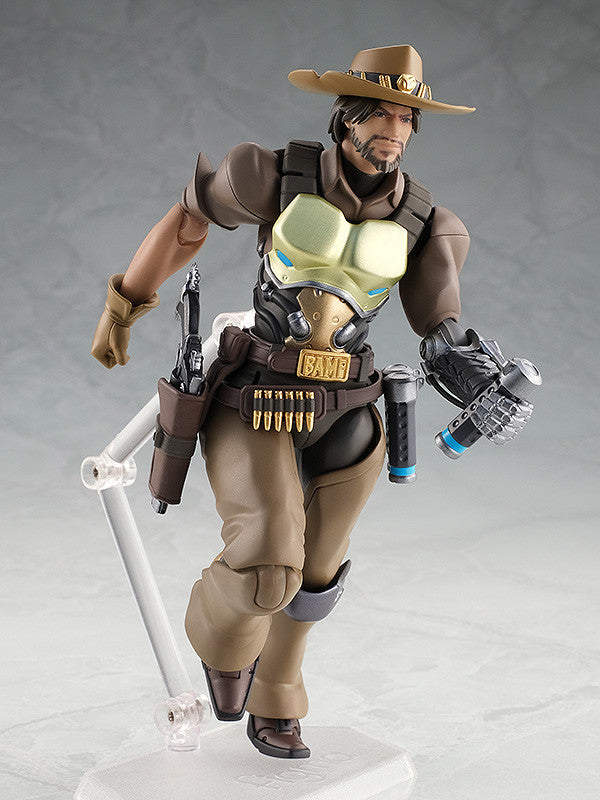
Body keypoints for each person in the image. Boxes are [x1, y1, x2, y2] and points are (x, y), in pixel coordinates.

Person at [92, 45, 478, 758]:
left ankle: (279, 692)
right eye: (381, 113)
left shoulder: (427, 222)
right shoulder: (270, 176)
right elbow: (187, 220)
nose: (394, 129)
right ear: (346, 116)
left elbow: (441, 323)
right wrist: (125, 305)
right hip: (258, 394)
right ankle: (222, 642)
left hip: (350, 409)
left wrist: (476, 367)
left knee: (318, 573)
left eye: (406, 118)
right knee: (269, 564)